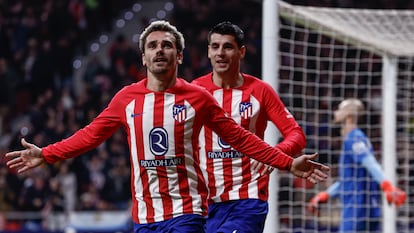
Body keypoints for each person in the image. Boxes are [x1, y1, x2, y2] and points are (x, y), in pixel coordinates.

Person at [5, 20, 330, 233]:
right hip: (146, 216)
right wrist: (46, 154)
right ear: (143, 58)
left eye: (167, 45)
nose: (159, 50)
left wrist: (286, 161)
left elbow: (240, 137)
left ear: (179, 56)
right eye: (152, 46)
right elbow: (91, 135)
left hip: (191, 210)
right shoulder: (126, 99)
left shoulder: (198, 98)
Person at [192, 21, 307, 233]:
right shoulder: (195, 91)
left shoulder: (260, 91)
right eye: (215, 46)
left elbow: (296, 134)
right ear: (208, 51)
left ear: (241, 51)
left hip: (248, 198)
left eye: (227, 47)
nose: (220, 53)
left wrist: (274, 154)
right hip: (203, 201)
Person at [307, 98, 406, 232]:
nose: (336, 112)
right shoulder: (360, 138)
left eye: (339, 109)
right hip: (371, 207)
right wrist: (326, 195)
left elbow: (369, 162)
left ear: (348, 114)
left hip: (355, 208)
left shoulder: (353, 138)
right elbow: (350, 178)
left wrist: (387, 185)